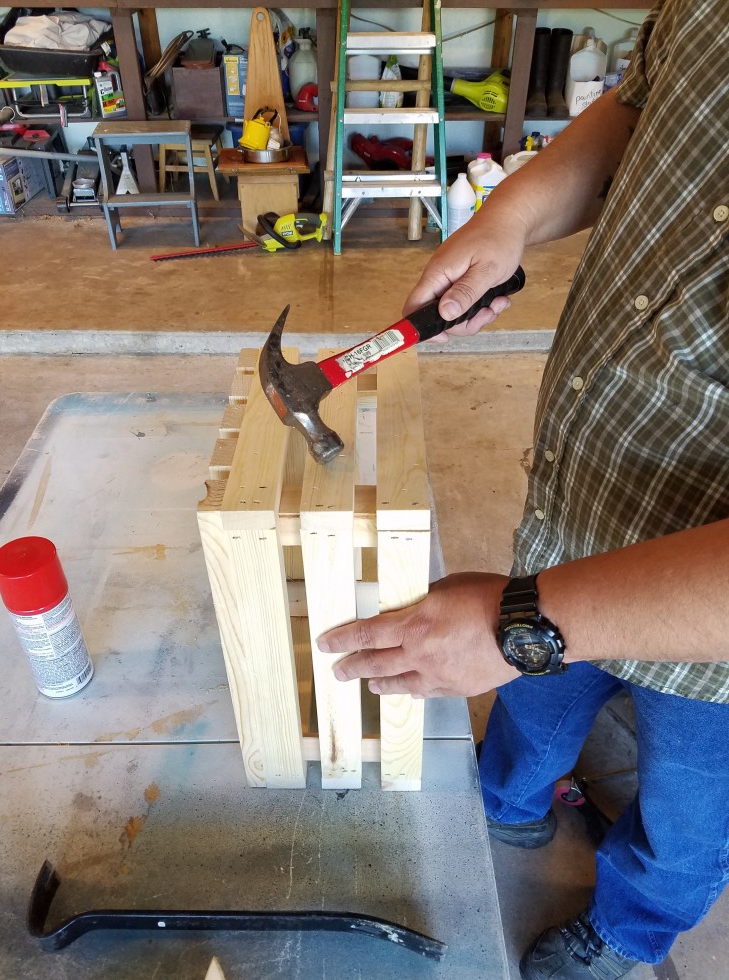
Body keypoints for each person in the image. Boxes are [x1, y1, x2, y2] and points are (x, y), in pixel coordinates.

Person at [318, 1, 729, 977]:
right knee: (530, 707)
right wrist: (507, 219)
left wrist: (518, 625)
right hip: (581, 507)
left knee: (690, 798)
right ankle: (506, 801)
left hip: (712, 642)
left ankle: (630, 927)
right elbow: (643, 106)